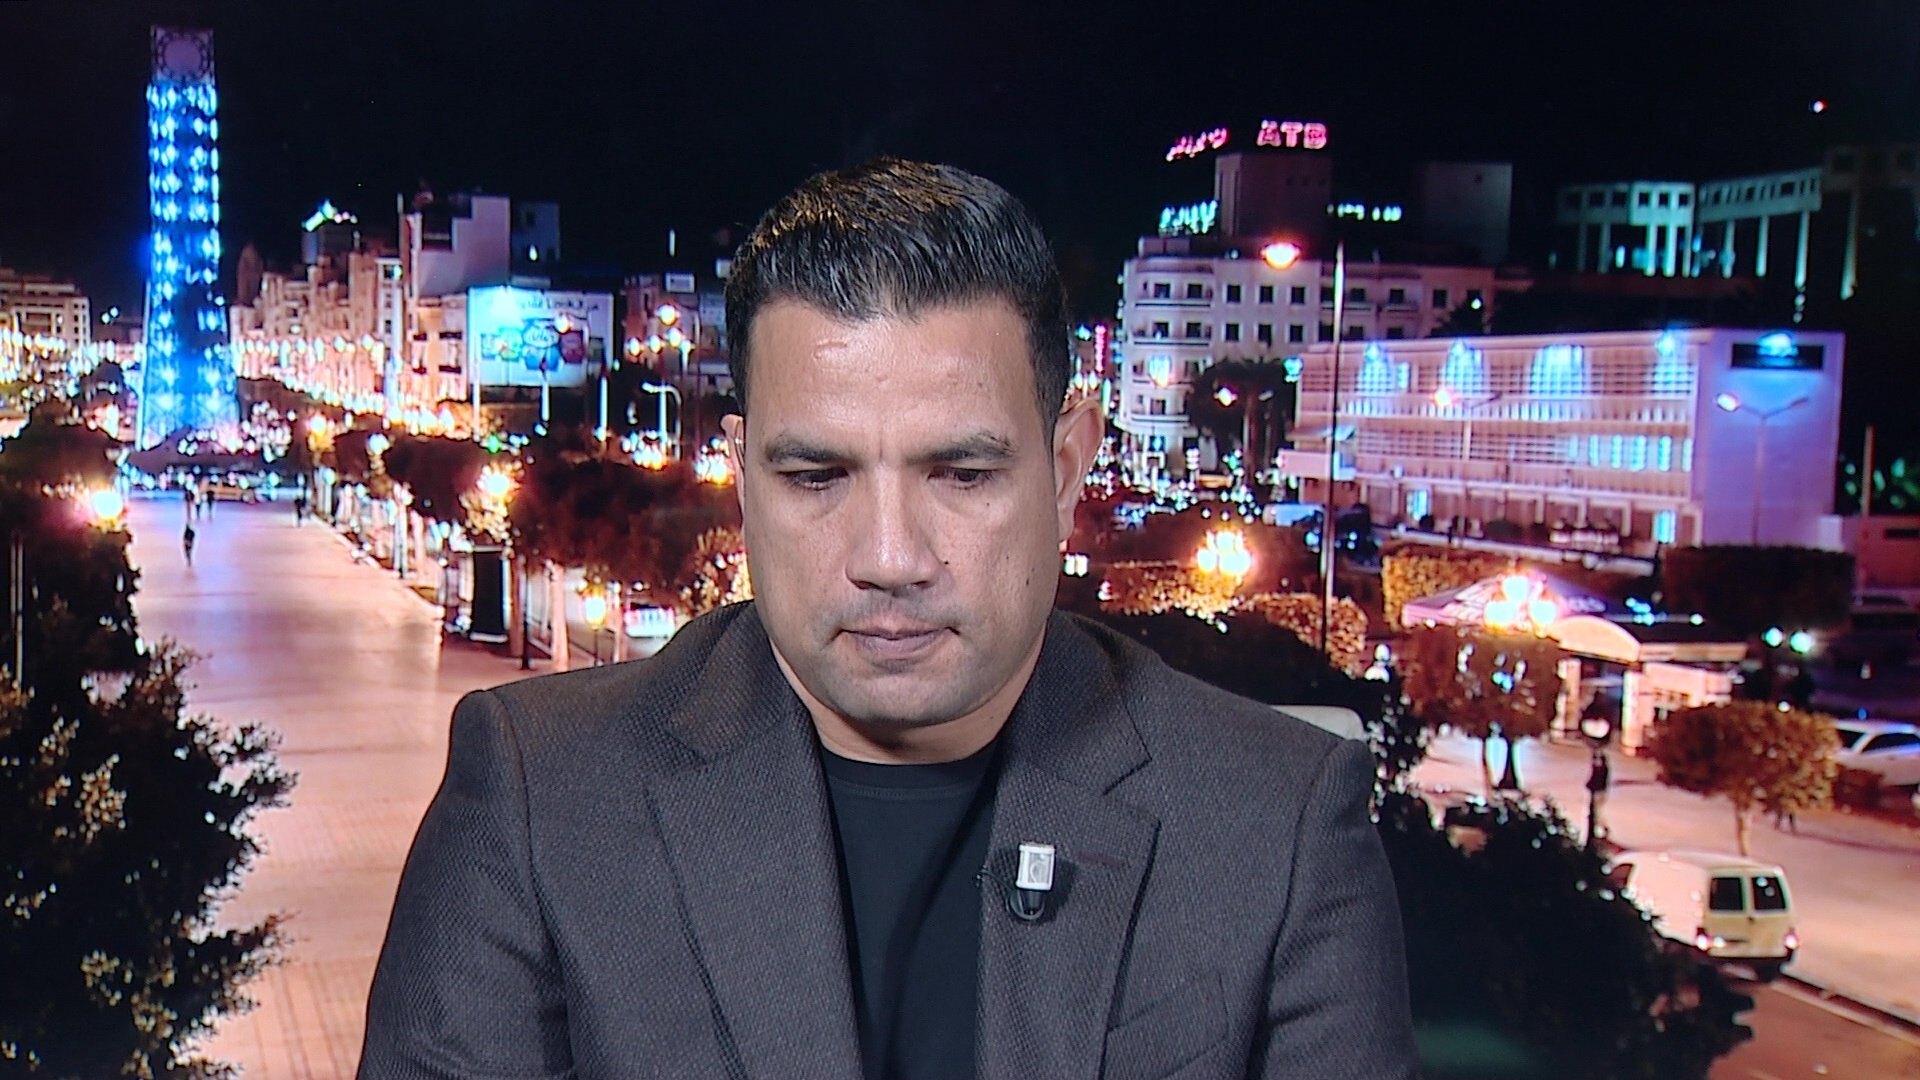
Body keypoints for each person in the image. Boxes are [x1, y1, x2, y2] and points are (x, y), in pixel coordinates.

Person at [359, 159, 1418, 1080]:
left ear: (1065, 469)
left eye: (962, 473)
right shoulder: (540, 800)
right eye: (817, 476)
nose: (890, 558)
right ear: (743, 479)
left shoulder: (1277, 823)